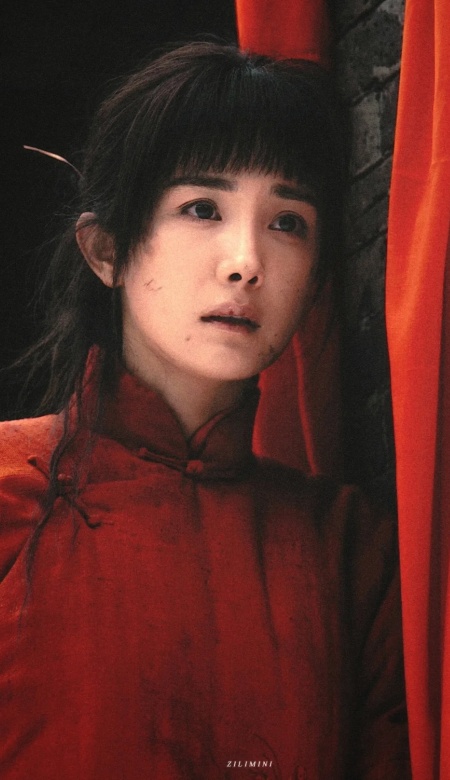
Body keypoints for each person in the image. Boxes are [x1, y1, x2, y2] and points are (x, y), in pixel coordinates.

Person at [0, 42, 409, 779]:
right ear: (107, 251)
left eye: (288, 222)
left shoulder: (351, 551)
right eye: (202, 208)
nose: (246, 261)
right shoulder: (9, 490)